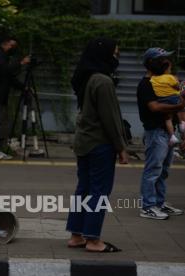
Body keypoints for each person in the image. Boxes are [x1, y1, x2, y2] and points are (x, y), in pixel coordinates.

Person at [66, 38, 129, 253]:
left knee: (83, 189)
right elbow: (110, 118)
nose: (116, 57)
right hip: (100, 143)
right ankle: (93, 240)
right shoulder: (103, 81)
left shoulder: (86, 77)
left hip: (83, 141)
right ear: (105, 55)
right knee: (99, 192)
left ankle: (76, 235)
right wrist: (121, 147)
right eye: (115, 53)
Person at [137, 47, 185, 220]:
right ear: (151, 63)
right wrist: (179, 106)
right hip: (155, 132)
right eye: (163, 60)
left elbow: (178, 92)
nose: (167, 63)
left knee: (163, 170)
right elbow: (154, 107)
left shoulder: (163, 80)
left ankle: (158, 202)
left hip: (167, 132)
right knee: (153, 170)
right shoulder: (146, 84)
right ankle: (148, 206)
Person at [149, 58, 185, 145]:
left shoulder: (153, 78)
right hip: (174, 99)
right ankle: (181, 124)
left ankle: (172, 136)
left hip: (162, 100)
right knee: (179, 107)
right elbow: (178, 87)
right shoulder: (170, 77)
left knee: (168, 118)